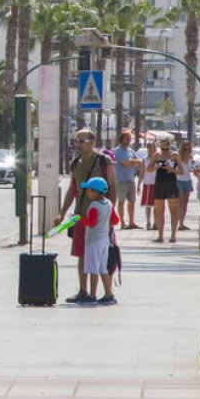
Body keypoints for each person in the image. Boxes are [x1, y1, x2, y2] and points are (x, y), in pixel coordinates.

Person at [57, 128, 117, 304]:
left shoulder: (104, 162)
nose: (77, 144)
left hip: (100, 218)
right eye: (76, 140)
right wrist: (62, 213)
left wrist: (111, 216)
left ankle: (105, 293)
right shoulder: (76, 163)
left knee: (101, 256)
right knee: (82, 254)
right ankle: (84, 291)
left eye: (81, 140)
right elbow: (72, 189)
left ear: (92, 142)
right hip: (81, 214)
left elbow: (112, 187)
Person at [77, 177, 119, 305]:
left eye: (89, 190)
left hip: (93, 241)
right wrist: (105, 224)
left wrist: (79, 218)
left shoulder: (94, 205)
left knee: (93, 268)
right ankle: (109, 294)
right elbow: (115, 220)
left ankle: (93, 295)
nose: (88, 193)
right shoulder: (109, 203)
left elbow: (91, 223)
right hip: (104, 240)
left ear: (95, 192)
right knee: (103, 268)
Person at [148, 136, 183, 243]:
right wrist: (156, 168)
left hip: (171, 183)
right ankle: (160, 235)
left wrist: (172, 169)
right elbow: (148, 169)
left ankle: (173, 235)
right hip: (159, 184)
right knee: (159, 211)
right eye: (163, 149)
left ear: (170, 146)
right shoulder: (157, 155)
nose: (165, 152)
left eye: (166, 149)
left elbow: (181, 171)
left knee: (173, 210)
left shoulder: (175, 155)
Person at [113, 130, 142, 230]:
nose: (129, 140)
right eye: (127, 138)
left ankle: (132, 222)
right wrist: (134, 162)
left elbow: (140, 161)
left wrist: (133, 162)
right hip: (121, 180)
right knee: (121, 201)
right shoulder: (117, 151)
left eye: (130, 139)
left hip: (130, 179)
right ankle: (122, 222)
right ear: (121, 139)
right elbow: (125, 163)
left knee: (132, 201)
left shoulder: (130, 150)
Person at [176, 140, 195, 231]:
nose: (187, 150)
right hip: (179, 180)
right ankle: (179, 223)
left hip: (187, 180)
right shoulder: (178, 157)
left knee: (185, 203)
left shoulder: (191, 157)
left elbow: (191, 169)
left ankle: (182, 222)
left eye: (189, 149)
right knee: (180, 202)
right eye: (185, 149)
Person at [138, 138, 157, 228]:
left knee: (156, 205)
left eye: (152, 147)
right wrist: (138, 185)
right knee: (148, 205)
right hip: (147, 183)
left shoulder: (158, 159)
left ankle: (156, 223)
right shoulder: (144, 160)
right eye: (149, 148)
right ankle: (148, 222)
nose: (151, 149)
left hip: (156, 183)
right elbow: (141, 173)